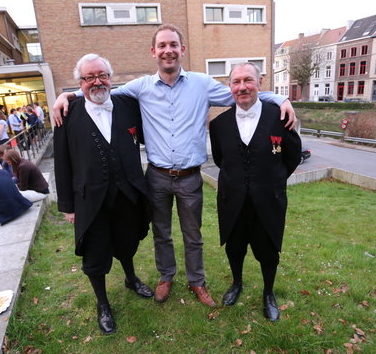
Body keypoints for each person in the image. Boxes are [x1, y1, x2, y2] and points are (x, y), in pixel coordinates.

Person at [52, 24, 297, 308]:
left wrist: (281, 98)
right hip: (156, 176)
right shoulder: (140, 87)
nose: (168, 50)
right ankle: (166, 277)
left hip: (190, 177)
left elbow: (242, 94)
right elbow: (101, 91)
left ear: (182, 49)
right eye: (162, 45)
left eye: (173, 45)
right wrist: (68, 96)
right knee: (162, 234)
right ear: (153, 52)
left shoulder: (202, 84)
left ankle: (197, 281)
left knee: (194, 236)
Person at [54, 53, 153, 334]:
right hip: (90, 200)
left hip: (127, 195)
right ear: (80, 83)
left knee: (127, 242)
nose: (97, 82)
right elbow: (62, 162)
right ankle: (103, 303)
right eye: (89, 78)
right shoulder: (67, 113)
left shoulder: (127, 104)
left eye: (102, 75)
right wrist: (68, 206)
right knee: (95, 257)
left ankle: (131, 279)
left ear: (110, 78)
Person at [209, 62, 302, 321]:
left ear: (260, 83)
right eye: (236, 82)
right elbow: (220, 159)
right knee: (235, 247)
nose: (242, 87)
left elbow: (292, 157)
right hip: (232, 200)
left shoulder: (280, 117)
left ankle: (268, 293)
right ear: (230, 87)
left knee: (268, 251)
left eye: (248, 80)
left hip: (268, 201)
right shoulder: (218, 125)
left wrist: (271, 180)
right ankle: (236, 282)